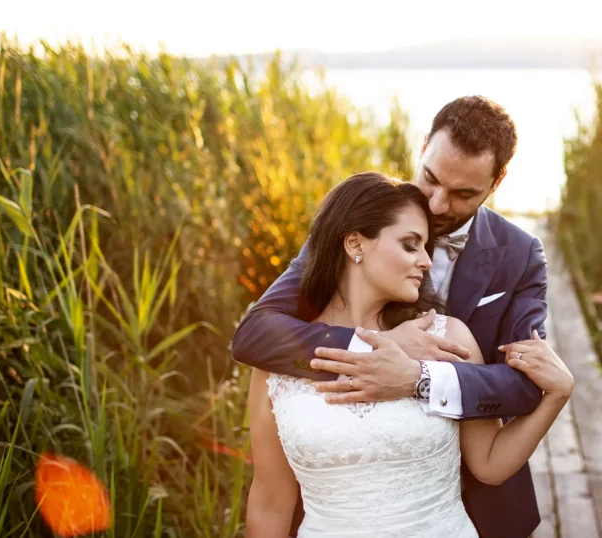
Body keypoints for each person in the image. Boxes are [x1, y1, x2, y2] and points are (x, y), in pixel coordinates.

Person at [232, 95, 551, 537]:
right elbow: (254, 334)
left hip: (467, 508)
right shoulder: (363, 219)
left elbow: (525, 380)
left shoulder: (521, 256)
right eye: (431, 179)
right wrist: (372, 349)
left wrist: (419, 378)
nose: (438, 204)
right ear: (423, 147)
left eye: (462, 194)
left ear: (497, 181)